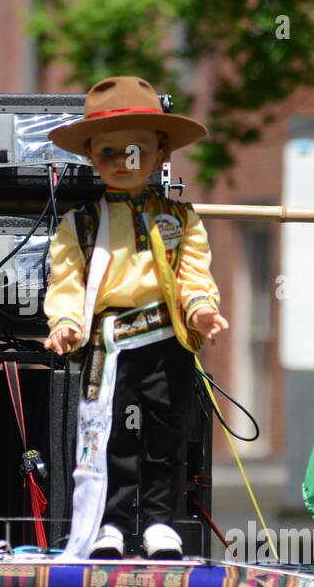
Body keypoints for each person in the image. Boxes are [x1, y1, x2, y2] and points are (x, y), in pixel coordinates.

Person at [43, 76, 229, 559]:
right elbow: (65, 284)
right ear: (89, 156)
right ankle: (112, 523)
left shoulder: (181, 219)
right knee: (110, 435)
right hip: (109, 343)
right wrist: (63, 321)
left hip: (165, 339)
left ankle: (161, 522)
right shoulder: (78, 223)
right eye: (109, 153)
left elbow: (194, 276)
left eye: (135, 153)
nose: (123, 163)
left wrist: (202, 310)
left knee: (166, 433)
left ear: (160, 154)